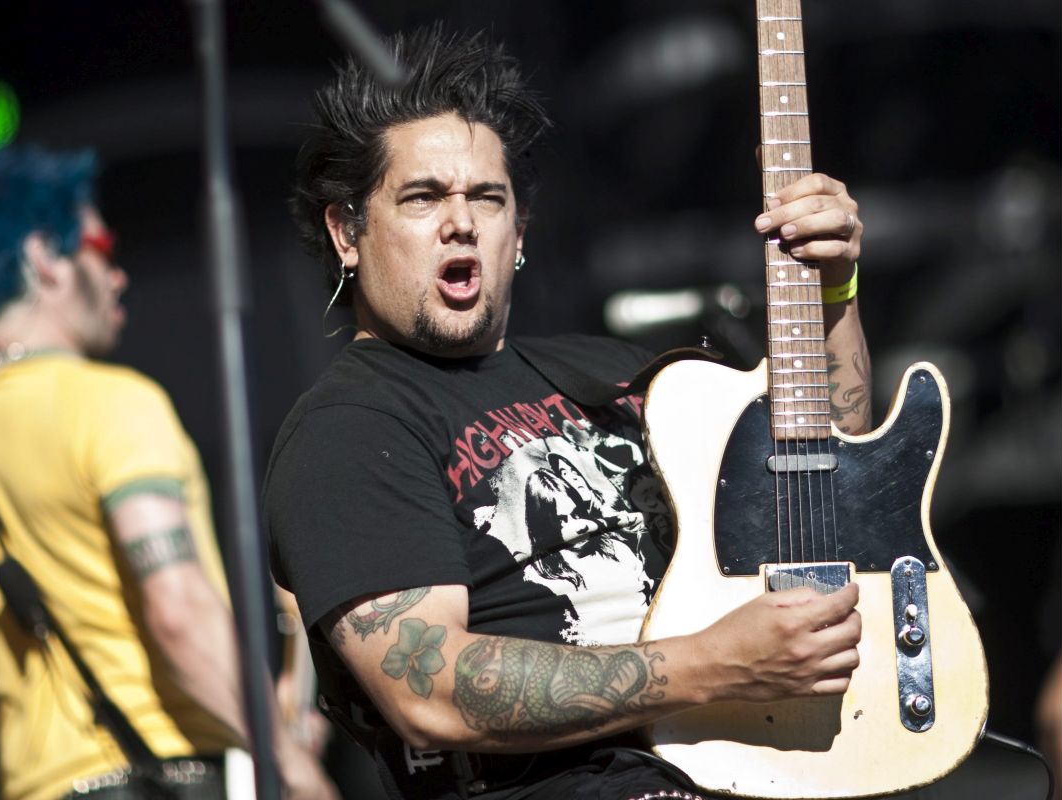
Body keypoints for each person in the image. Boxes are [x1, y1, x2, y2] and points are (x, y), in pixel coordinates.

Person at [265, 26, 1019, 800]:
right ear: (347, 231)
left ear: (518, 231)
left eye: (487, 198)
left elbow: (829, 458)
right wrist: (716, 663)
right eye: (423, 197)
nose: (461, 222)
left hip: (767, 754)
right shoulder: (350, 429)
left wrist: (832, 290)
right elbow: (432, 692)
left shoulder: (616, 371)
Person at [0, 147, 338, 800]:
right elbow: (176, 611)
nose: (117, 276)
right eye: (101, 246)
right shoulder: (112, 403)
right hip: (159, 773)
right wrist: (287, 760)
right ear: (45, 258)